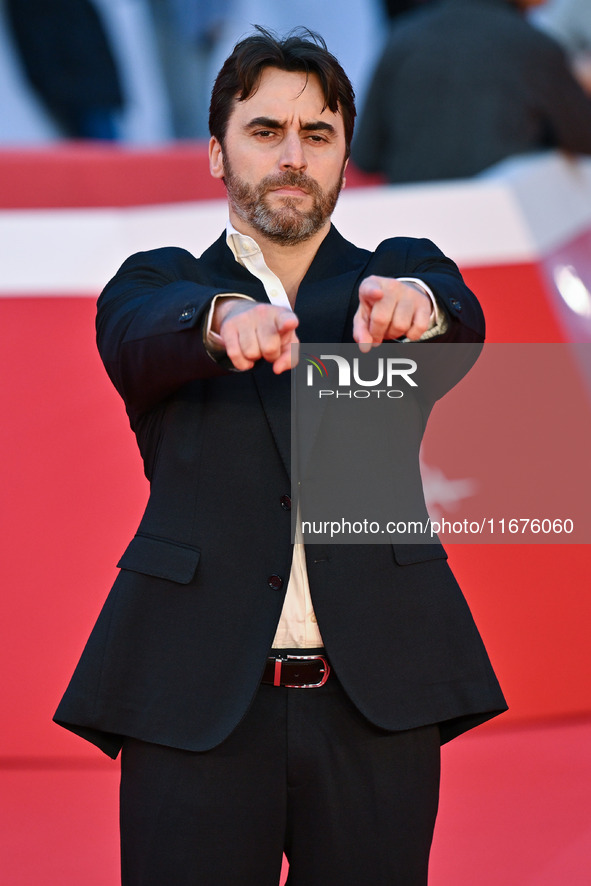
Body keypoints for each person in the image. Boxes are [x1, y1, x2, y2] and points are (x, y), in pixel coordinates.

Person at [54, 27, 507, 886]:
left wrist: (416, 307)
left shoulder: (394, 274)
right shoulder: (158, 283)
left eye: (318, 134)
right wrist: (223, 322)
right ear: (218, 155)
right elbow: (141, 331)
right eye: (265, 132)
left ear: (344, 157)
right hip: (192, 699)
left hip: (376, 698)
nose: (292, 156)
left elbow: (458, 311)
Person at [352, 0, 591, 184]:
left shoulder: (401, 40)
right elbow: (584, 140)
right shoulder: (534, 47)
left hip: (414, 231)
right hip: (508, 233)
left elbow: (365, 157)